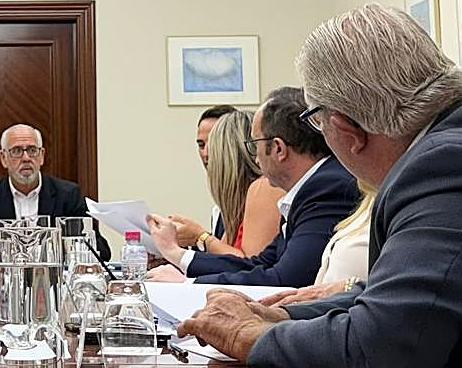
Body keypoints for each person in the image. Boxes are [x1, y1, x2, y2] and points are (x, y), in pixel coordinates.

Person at [179, 3, 462, 368]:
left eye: (316, 120)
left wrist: (244, 334)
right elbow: (396, 298)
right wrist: (279, 315)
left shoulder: (457, 167)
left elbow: (384, 347)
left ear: (347, 131)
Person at [147, 87, 358, 286]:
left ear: (278, 149)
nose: (254, 156)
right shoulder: (313, 187)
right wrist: (176, 254)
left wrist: (187, 283)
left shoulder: (327, 189)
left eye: (254, 144)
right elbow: (259, 264)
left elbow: (284, 280)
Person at [0, 124, 112, 260]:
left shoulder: (67, 195)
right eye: (17, 151)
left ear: (42, 156)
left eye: (32, 150)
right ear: (3, 158)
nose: (26, 158)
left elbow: (101, 250)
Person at [167, 110, 284, 258]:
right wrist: (170, 254)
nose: (206, 154)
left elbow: (252, 268)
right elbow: (223, 260)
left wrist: (200, 237)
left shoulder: (265, 187)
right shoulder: (236, 202)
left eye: (211, 147)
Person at [194, 104, 238, 237]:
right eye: (201, 145)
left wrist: (200, 237)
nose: (206, 153)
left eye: (214, 143)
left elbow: (246, 257)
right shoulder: (218, 208)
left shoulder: (259, 194)